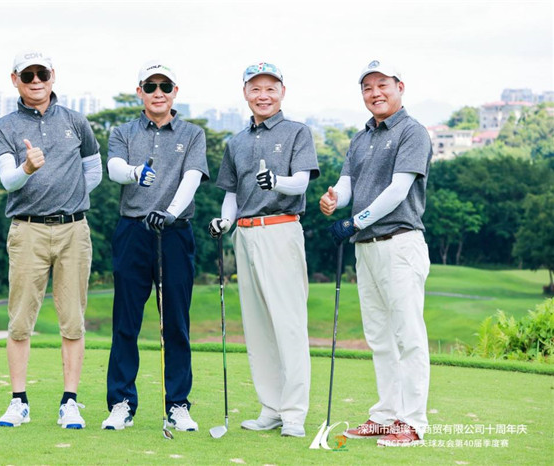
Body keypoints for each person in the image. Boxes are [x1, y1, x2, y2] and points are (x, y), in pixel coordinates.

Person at [320, 59, 432, 447]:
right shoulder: (360, 138)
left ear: (400, 86)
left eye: (382, 84)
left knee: (408, 336)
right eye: (367, 87)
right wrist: (334, 199)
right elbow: (347, 185)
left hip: (399, 243)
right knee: (380, 337)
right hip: (366, 249)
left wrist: (355, 222)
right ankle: (385, 415)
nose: (375, 93)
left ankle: (412, 423)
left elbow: (398, 191)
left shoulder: (412, 132)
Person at [0, 50, 102, 429]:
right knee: (20, 319)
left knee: (73, 320)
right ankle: (18, 401)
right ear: (15, 80)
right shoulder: (4, 127)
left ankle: (70, 402)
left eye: (41, 74)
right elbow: (8, 181)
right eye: (28, 75)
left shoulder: (75, 121)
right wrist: (27, 167)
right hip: (27, 230)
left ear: (53, 76)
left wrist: (69, 196)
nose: (35, 81)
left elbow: (93, 172)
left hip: (73, 229)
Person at [209, 62, 319, 438]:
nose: (263, 95)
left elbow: (301, 182)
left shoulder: (297, 132)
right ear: (245, 93)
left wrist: (276, 181)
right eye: (255, 89)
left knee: (289, 325)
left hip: (281, 230)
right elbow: (231, 194)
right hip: (245, 234)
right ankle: (271, 407)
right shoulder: (236, 142)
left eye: (271, 88)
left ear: (282, 92)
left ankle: (294, 413)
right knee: (257, 328)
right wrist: (224, 221)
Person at [101, 61, 209, 432]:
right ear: (140, 92)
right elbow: (114, 168)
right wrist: (135, 172)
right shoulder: (123, 131)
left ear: (175, 91)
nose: (158, 92)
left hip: (175, 233)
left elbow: (192, 177)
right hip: (133, 232)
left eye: (165, 86)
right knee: (125, 322)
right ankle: (121, 403)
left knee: (175, 322)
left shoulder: (192, 134)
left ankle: (178, 404)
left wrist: (170, 212)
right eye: (150, 86)